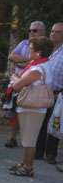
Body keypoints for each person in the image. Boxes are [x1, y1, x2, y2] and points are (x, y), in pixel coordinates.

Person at [8, 36, 54, 176]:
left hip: (32, 107)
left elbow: (17, 84)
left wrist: (14, 77)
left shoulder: (37, 69)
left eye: (31, 48)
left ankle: (28, 167)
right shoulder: (38, 64)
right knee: (27, 137)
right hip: (30, 106)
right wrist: (18, 78)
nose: (28, 50)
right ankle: (24, 162)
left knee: (29, 139)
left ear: (39, 52)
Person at [6, 21, 46, 147]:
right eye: (29, 30)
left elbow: (38, 62)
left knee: (30, 115)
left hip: (32, 86)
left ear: (42, 32)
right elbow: (11, 56)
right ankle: (13, 138)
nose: (31, 33)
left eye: (34, 30)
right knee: (15, 111)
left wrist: (22, 63)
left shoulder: (45, 46)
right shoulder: (23, 43)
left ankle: (30, 145)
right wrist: (29, 60)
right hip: (19, 84)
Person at [35, 22, 63, 164]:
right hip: (41, 91)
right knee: (40, 120)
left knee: (54, 122)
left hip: (57, 94)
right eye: (52, 31)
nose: (53, 34)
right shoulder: (46, 49)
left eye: (57, 32)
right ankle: (38, 151)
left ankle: (51, 153)